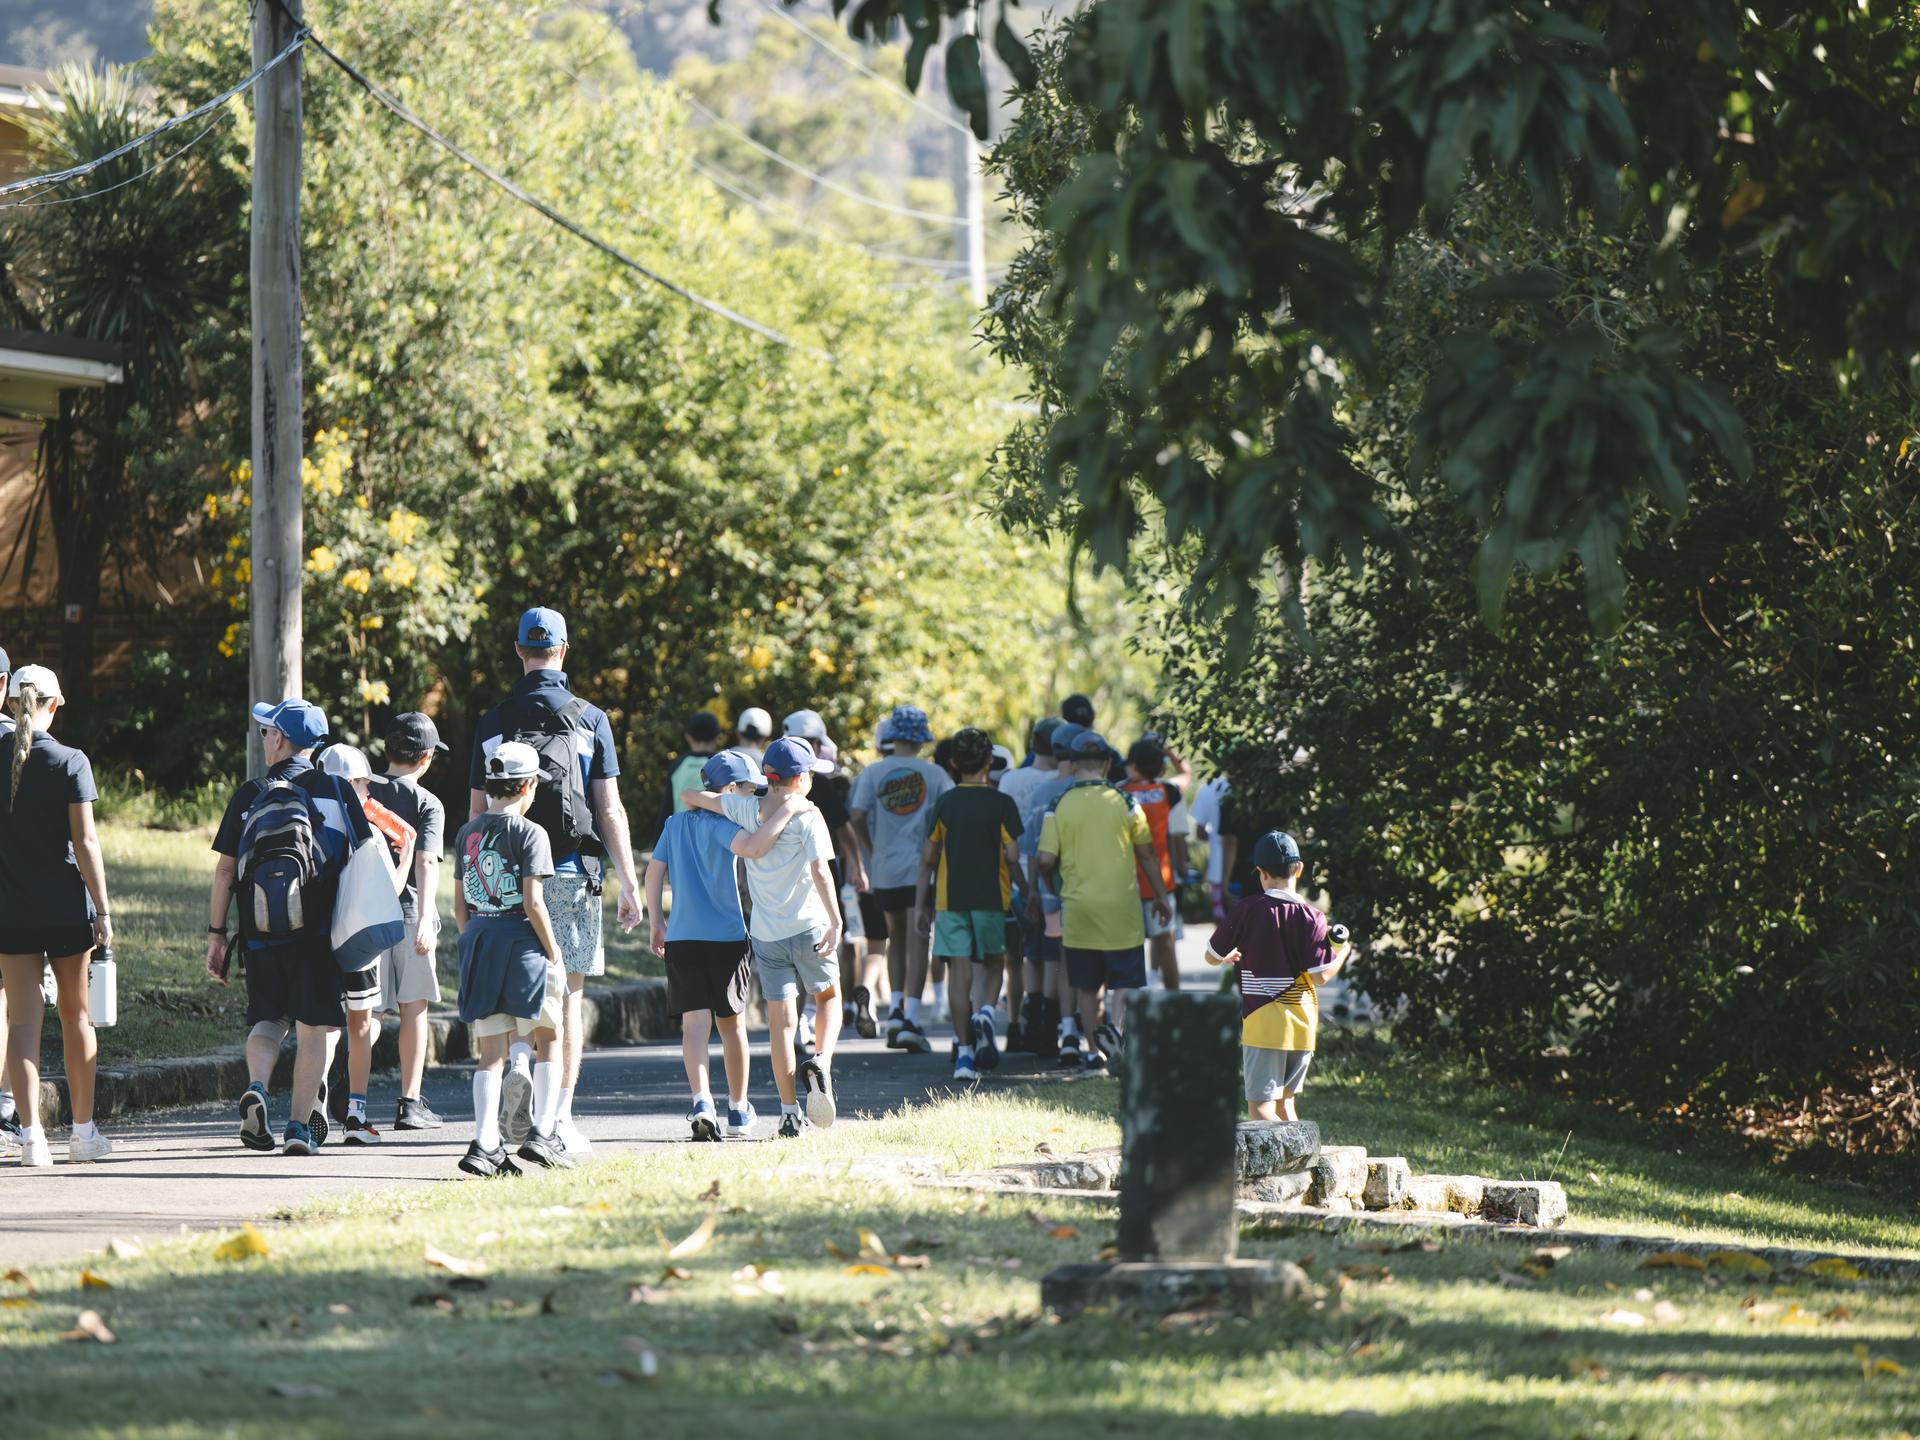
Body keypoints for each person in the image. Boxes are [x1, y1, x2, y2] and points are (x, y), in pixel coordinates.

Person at [470, 607, 642, 1163]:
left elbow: (476, 813)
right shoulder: (591, 719)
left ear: (519, 651)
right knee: (567, 994)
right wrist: (630, 882)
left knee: (516, 989)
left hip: (501, 881)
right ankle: (558, 1121)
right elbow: (609, 808)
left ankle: (519, 1059)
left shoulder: (494, 721)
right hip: (571, 872)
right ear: (564, 650)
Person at [208, 698, 371, 1155]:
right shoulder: (337, 791)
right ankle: (299, 1128)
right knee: (313, 1029)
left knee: (266, 1020)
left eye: (266, 732)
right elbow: (364, 859)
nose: (264, 739)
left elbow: (225, 872)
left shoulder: (250, 793)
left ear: (279, 739)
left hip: (259, 933)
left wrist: (216, 934)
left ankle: (257, 1087)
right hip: (316, 935)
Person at [683, 736, 843, 1137]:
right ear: (801, 778)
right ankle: (821, 1060)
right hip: (809, 926)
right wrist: (836, 919)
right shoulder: (809, 814)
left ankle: (789, 1113)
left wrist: (725, 800)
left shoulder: (745, 807)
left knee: (781, 1027)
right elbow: (821, 871)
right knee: (828, 998)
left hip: (767, 935)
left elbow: (690, 795)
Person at [646, 748, 803, 1142]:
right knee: (732, 1027)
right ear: (731, 790)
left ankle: (702, 1102)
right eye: (751, 791)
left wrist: (657, 921)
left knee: (693, 1027)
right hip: (727, 938)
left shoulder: (674, 824)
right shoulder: (726, 825)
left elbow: (654, 872)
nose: (755, 799)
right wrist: (785, 815)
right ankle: (737, 1107)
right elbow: (753, 848)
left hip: (682, 936)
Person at [0, 665, 113, 1166]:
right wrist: (103, 909)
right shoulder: (71, 760)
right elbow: (85, 842)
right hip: (66, 908)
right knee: (76, 1017)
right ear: (55, 704)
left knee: (22, 1023)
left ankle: (31, 1139)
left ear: (11, 703)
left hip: (11, 909)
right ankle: (83, 1134)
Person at [451, 741, 568, 1175]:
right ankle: (543, 1132)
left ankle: (485, 1143)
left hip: (480, 938)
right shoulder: (532, 833)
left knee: (490, 1050)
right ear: (528, 786)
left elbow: (459, 906)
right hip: (523, 942)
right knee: (548, 1036)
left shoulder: (467, 832)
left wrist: (474, 940)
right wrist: (553, 952)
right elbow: (533, 902)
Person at [1036, 728, 1172, 1071]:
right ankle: (1118, 1037)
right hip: (1121, 909)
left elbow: (1045, 860)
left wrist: (1050, 885)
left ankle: (1097, 1053)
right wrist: (1160, 896)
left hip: (1078, 908)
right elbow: (1147, 854)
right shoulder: (1126, 802)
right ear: (1109, 764)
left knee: (1087, 986)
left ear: (1073, 764)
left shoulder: (1058, 804)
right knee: (1124, 982)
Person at [1203, 831, 1350, 1120]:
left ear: (1261, 872)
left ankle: (1291, 1152)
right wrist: (1342, 952)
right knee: (1285, 1106)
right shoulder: (1314, 917)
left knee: (1261, 1111)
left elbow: (1211, 956)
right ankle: (1302, 1151)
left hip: (1263, 1026)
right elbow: (1320, 976)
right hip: (1302, 1025)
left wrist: (1226, 955)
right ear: (1299, 869)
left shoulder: (1247, 909)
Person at [915, 728, 1022, 1083]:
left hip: (950, 901)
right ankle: (986, 1012)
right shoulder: (1001, 803)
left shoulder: (945, 804)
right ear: (989, 761)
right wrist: (1028, 890)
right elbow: (1012, 855)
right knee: (993, 963)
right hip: (992, 899)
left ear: (953, 763)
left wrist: (921, 905)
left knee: (958, 974)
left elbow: (928, 858)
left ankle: (963, 1054)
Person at [319, 743, 414, 1145]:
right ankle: (356, 1115)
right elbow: (390, 889)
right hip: (357, 941)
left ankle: (315, 1098)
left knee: (322, 1025)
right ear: (352, 784)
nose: (368, 791)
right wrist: (406, 856)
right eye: (362, 783)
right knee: (359, 1024)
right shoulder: (368, 830)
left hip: (316, 938)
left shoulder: (309, 819)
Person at [848, 704, 951, 1054]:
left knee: (895, 938)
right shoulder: (934, 774)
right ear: (921, 739)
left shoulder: (874, 772)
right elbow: (949, 813)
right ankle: (912, 1018)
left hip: (885, 868)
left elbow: (857, 815)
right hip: (923, 868)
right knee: (919, 939)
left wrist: (871, 848)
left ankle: (894, 1010)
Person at [367, 712, 448, 1131]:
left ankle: (349, 1093)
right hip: (410, 910)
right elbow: (426, 862)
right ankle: (409, 1104)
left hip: (366, 913)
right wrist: (425, 918)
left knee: (369, 1010)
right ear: (427, 758)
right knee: (414, 1007)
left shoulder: (362, 790)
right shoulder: (428, 803)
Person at [1120, 737, 1189, 991]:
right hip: (1161, 880)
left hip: (1126, 881)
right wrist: (1170, 751)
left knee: (1128, 946)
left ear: (1133, 765)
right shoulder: (1168, 792)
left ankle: (1131, 1000)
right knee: (1165, 942)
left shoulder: (1119, 793)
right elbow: (1186, 775)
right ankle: (1174, 998)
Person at [656, 710, 723, 838]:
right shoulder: (719, 766)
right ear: (717, 738)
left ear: (688, 737)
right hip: (709, 837)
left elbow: (666, 808)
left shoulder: (677, 766)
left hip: (679, 836)